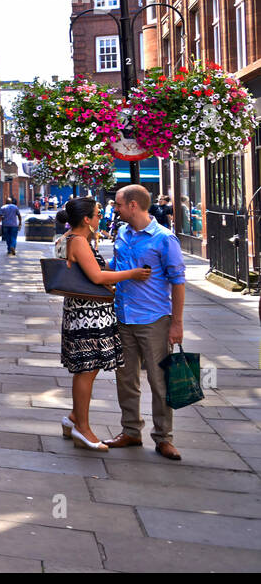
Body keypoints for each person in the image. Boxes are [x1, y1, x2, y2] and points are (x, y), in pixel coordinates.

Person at [54, 198, 150, 451]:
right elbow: (96, 276)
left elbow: (92, 270)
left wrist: (119, 268)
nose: (100, 218)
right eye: (97, 215)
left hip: (83, 313)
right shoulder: (78, 241)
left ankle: (74, 418)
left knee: (88, 369)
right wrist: (132, 273)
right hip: (89, 316)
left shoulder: (68, 239)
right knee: (86, 371)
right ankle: (82, 428)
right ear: (86, 219)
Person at [109, 183, 187, 460]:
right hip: (123, 316)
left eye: (118, 204)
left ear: (133, 205)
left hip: (154, 318)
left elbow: (178, 282)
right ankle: (130, 431)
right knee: (126, 379)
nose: (115, 209)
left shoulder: (164, 238)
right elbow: (115, 269)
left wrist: (176, 323)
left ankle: (164, 437)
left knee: (159, 380)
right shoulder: (121, 233)